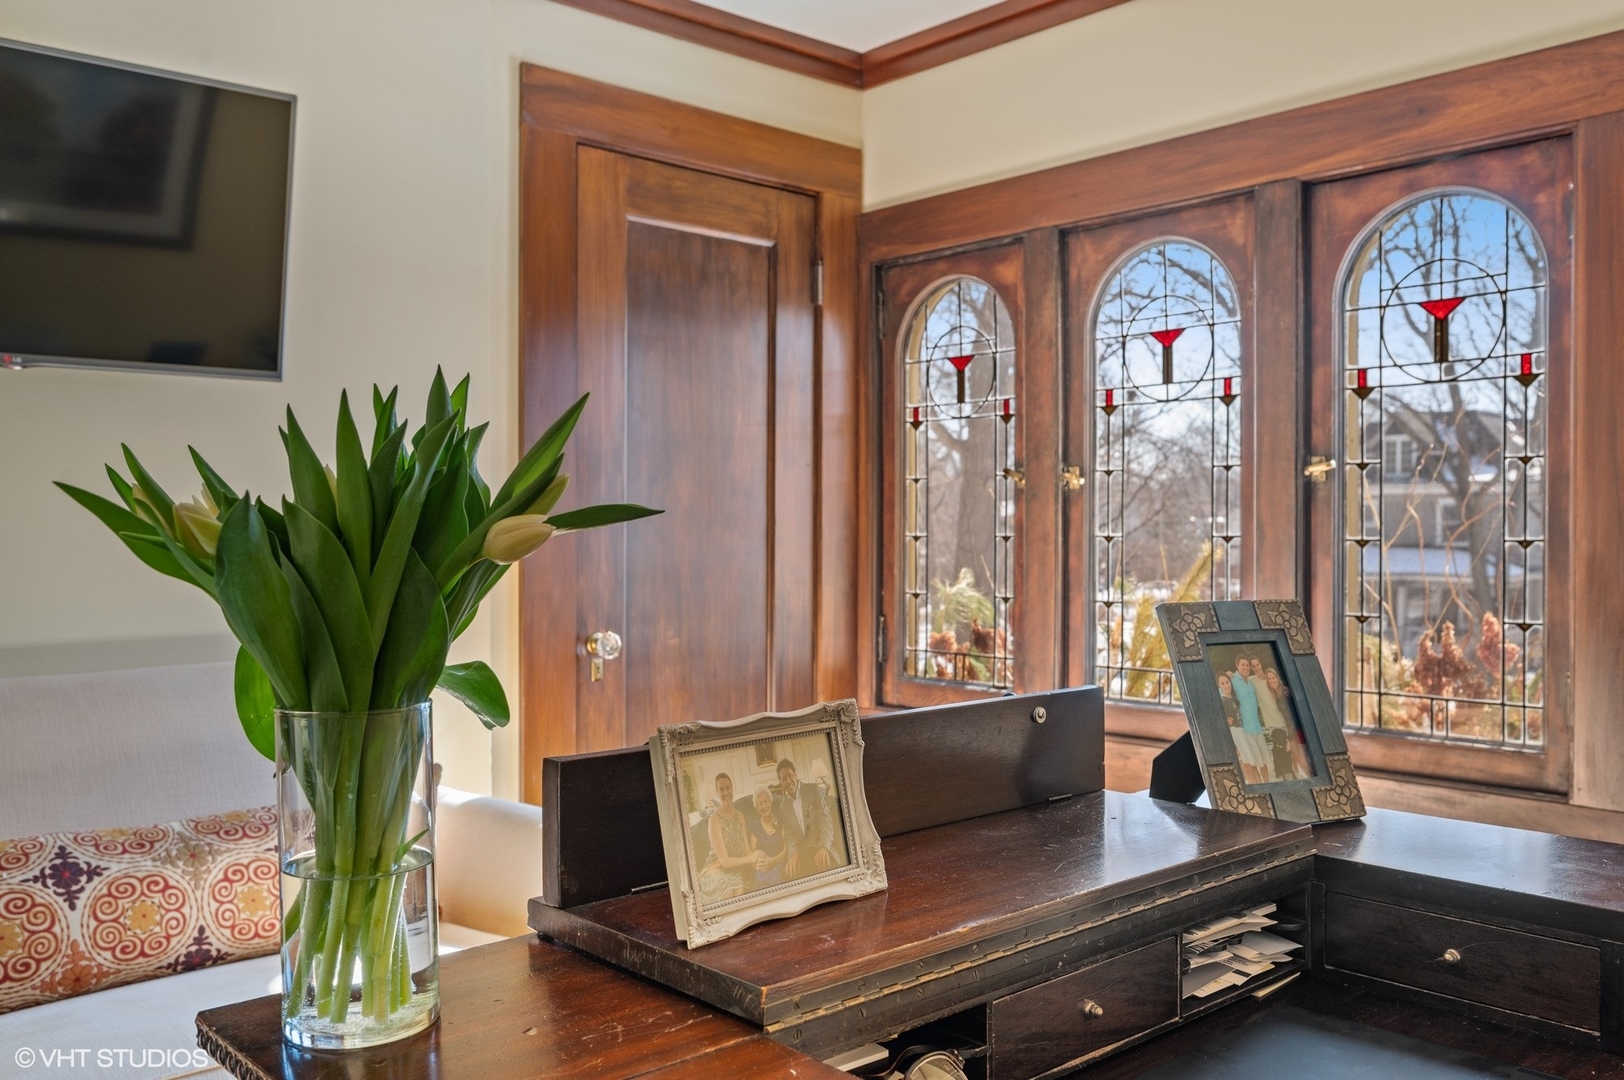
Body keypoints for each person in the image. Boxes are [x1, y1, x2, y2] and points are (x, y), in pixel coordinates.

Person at [696, 773, 766, 905]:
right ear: (717, 792)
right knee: (728, 891)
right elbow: (725, 862)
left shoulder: (740, 816)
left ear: (732, 789)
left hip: (735, 870)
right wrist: (750, 859)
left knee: (740, 889)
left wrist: (757, 858)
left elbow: (746, 849)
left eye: (728, 788)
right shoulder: (714, 819)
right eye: (721, 789)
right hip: (715, 870)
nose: (725, 792)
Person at [774, 758, 836, 879]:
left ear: (795, 774)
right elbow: (789, 835)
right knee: (789, 875)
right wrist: (793, 854)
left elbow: (826, 820)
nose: (788, 781)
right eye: (784, 779)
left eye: (790, 775)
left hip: (820, 845)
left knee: (827, 869)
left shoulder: (813, 790)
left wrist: (824, 847)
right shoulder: (783, 806)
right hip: (803, 852)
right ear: (780, 782)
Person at [1262, 667, 1313, 780]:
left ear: (1277, 678)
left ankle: (1317, 782)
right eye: (1269, 679)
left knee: (1303, 762)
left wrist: (1289, 739)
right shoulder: (1277, 696)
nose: (1272, 680)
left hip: (1297, 730)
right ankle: (1313, 782)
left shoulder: (1286, 693)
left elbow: (1293, 717)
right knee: (1300, 762)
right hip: (1291, 731)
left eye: (1273, 677)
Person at [1227, 657, 1272, 783]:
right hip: (1245, 730)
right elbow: (1222, 694)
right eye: (1243, 665)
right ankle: (1258, 789)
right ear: (1237, 666)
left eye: (1247, 665)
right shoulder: (1232, 679)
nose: (1246, 667)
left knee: (1264, 762)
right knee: (1251, 763)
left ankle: (1267, 787)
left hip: (1257, 728)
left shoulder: (1251, 682)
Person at [747, 786, 788, 888]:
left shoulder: (780, 821)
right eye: (760, 804)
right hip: (763, 866)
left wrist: (772, 861)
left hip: (779, 861)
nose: (764, 806)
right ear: (757, 808)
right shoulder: (755, 826)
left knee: (776, 878)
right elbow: (752, 853)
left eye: (766, 802)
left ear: (770, 803)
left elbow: (787, 849)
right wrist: (757, 865)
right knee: (760, 879)